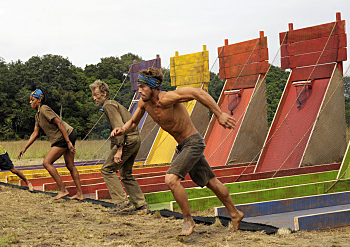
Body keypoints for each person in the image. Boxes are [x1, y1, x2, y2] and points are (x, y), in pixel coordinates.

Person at [111, 67, 244, 236]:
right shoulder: (144, 103)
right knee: (211, 182)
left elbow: (198, 93)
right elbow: (132, 122)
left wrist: (219, 114)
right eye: (138, 87)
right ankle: (235, 214)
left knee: (171, 179)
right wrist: (121, 130)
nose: (139, 91)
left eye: (142, 87)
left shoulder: (168, 98)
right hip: (183, 146)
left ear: (153, 87)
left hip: (193, 143)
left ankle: (188, 220)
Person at [90, 80, 149, 214]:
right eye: (93, 95)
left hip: (127, 140)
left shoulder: (108, 105)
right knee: (125, 173)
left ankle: (122, 203)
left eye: (96, 95)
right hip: (135, 138)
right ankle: (141, 205)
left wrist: (119, 150)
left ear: (104, 94)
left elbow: (118, 127)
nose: (94, 98)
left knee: (107, 170)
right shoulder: (114, 104)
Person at [18, 89, 84, 200]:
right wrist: (25, 148)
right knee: (70, 165)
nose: (30, 102)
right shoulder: (37, 115)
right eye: (30, 100)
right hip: (69, 134)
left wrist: (68, 142)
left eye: (32, 100)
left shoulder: (44, 109)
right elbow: (35, 133)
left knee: (47, 162)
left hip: (64, 136)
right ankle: (80, 194)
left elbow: (59, 122)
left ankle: (63, 190)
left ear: (39, 100)